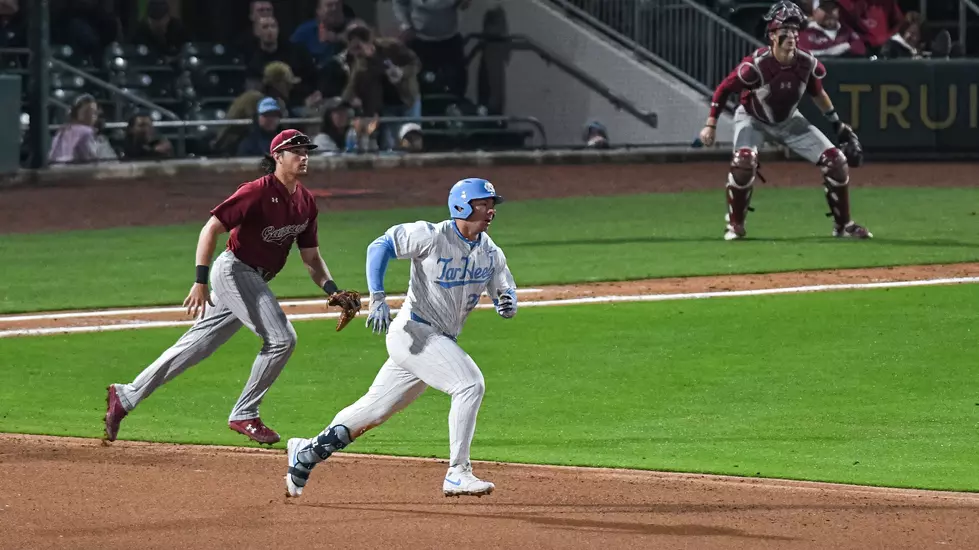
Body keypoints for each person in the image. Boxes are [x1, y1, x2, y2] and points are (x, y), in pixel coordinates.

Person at [104, 129, 361, 446]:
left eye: (306, 151)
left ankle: (125, 396)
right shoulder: (255, 192)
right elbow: (210, 228)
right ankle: (245, 413)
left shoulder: (306, 202)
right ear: (277, 157)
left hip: (253, 278)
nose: (304, 156)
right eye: (296, 151)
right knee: (282, 338)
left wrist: (331, 289)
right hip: (234, 271)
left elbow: (310, 257)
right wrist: (200, 279)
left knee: (194, 347)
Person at [283, 177, 517, 499]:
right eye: (484, 204)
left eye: (492, 204)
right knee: (469, 384)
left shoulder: (491, 254)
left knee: (374, 411)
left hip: (436, 341)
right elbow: (379, 246)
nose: (491, 210)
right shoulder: (432, 236)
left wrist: (508, 302)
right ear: (463, 205)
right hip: (413, 333)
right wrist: (377, 296)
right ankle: (457, 472)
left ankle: (305, 452)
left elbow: (505, 291)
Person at [698, 0, 872, 241]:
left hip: (789, 120)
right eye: (784, 31)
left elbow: (817, 93)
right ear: (772, 36)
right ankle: (735, 225)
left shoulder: (806, 62)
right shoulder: (755, 66)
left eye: (793, 31)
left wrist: (836, 123)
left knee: (836, 162)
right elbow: (724, 89)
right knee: (744, 162)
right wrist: (711, 124)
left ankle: (843, 225)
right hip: (753, 117)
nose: (791, 35)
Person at [797, 0, 866, 58]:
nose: (830, 13)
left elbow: (861, 50)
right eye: (825, 9)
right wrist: (836, 50)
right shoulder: (806, 32)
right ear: (814, 12)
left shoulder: (847, 31)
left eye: (833, 8)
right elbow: (804, 55)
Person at [48, 94, 100, 164]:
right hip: (72, 172)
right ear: (82, 113)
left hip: (55, 169)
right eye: (93, 113)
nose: (95, 117)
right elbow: (92, 158)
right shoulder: (86, 131)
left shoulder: (62, 130)